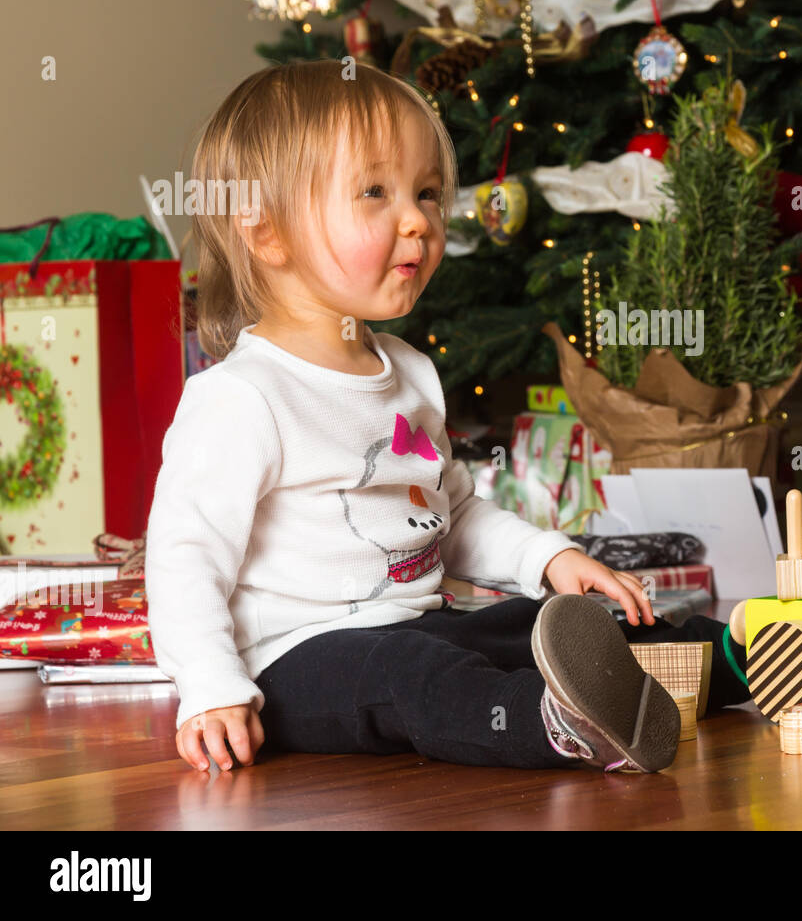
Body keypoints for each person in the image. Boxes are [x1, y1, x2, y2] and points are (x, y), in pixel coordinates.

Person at [145, 61, 752, 776]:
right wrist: (212, 688)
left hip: (421, 626)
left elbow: (451, 513)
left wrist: (547, 560)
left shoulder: (406, 373)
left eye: (427, 193)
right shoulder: (241, 397)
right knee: (415, 673)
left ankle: (731, 658)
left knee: (535, 626)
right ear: (268, 231)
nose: (418, 219)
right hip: (297, 662)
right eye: (376, 192)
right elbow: (184, 557)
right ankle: (556, 722)